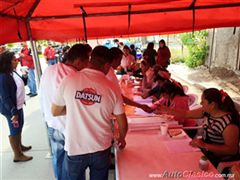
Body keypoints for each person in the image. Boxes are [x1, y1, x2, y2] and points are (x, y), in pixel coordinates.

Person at [52, 46, 128, 180]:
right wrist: (122, 138)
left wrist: (77, 105)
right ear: (106, 65)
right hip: (101, 147)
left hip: (76, 147)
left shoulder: (69, 80)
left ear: (90, 60)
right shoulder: (111, 88)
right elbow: (122, 122)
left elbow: (55, 111)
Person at [39, 44, 90, 180]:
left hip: (52, 124)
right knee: (73, 169)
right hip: (69, 129)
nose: (89, 64)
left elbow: (41, 95)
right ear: (79, 61)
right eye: (88, 60)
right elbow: (80, 106)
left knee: (58, 160)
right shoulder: (74, 77)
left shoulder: (49, 70)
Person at [156, 88, 240, 167]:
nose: (200, 104)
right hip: (205, 152)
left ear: (212, 105)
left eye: (203, 101)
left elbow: (231, 150)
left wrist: (205, 145)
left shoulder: (228, 124)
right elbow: (186, 114)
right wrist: (167, 110)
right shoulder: (207, 112)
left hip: (219, 160)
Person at [0, 51, 33, 162]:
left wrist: (24, 76)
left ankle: (20, 146)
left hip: (18, 106)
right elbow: (5, 97)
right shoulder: (4, 77)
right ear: (7, 63)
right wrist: (13, 111)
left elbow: (21, 84)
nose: (17, 61)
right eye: (14, 60)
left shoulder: (12, 72)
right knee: (14, 129)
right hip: (11, 109)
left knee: (20, 126)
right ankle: (17, 155)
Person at [107, 47, 153, 113]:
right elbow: (120, 97)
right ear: (114, 59)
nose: (120, 63)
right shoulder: (109, 73)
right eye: (119, 60)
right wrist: (140, 106)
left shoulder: (110, 71)